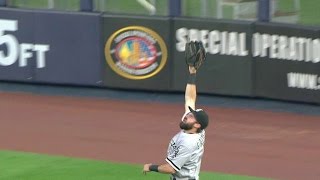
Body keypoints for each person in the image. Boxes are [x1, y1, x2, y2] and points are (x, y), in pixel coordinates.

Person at [142, 64, 209, 180]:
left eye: (191, 116)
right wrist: (192, 74)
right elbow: (190, 98)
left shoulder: (188, 143)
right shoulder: (195, 129)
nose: (187, 115)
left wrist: (150, 167)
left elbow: (171, 168)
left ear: (197, 125)